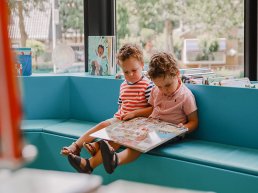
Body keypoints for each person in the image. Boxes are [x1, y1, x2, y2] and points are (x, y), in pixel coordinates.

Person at [97, 51, 198, 174]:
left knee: (143, 141)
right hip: (152, 125)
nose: (164, 91)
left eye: (168, 85)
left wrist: (184, 127)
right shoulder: (156, 91)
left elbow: (194, 121)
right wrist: (136, 116)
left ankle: (116, 159)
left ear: (177, 74)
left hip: (171, 131)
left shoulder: (186, 96)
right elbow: (152, 109)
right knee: (127, 130)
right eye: (160, 86)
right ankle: (100, 149)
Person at [60, 43, 153, 173]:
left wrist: (135, 113)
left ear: (142, 65)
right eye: (126, 72)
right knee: (103, 124)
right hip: (121, 119)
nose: (131, 75)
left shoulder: (148, 86)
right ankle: (76, 146)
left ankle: (90, 163)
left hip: (136, 124)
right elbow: (121, 105)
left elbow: (153, 110)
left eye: (134, 70)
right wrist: (116, 120)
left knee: (115, 140)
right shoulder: (123, 85)